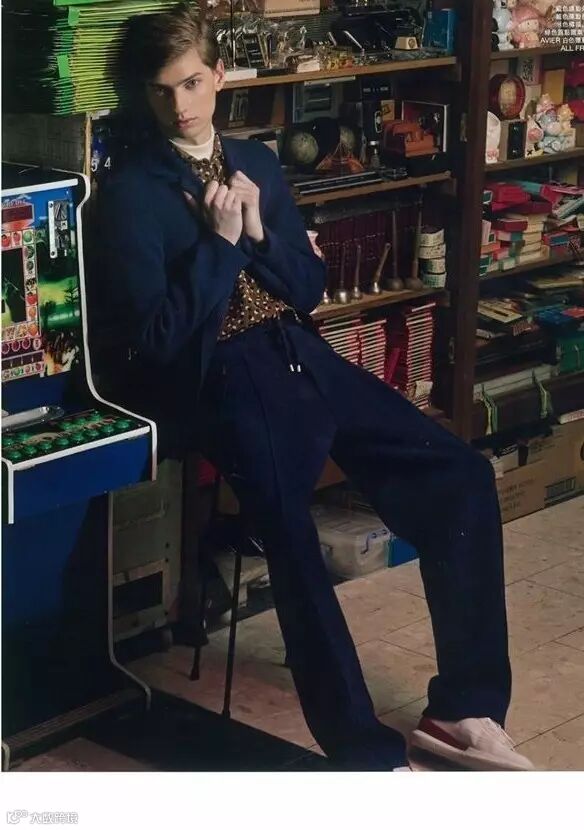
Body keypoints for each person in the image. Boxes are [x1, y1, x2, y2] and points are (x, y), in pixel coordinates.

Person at [88, 1, 534, 772]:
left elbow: (306, 287)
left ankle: (464, 709)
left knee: (459, 474)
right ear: (144, 95)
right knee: (289, 530)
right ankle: (364, 757)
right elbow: (156, 343)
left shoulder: (256, 164)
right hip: (218, 375)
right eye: (162, 90)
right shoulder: (129, 194)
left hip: (297, 352)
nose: (181, 105)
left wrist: (259, 232)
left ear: (218, 75)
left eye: (192, 83)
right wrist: (221, 247)